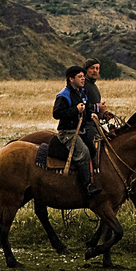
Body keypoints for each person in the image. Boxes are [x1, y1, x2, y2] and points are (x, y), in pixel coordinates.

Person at [54, 66, 101, 199]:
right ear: (71, 79)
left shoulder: (81, 92)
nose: (83, 79)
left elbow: (84, 110)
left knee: (93, 148)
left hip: (80, 130)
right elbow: (57, 114)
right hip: (67, 132)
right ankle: (86, 188)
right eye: (80, 77)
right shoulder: (64, 95)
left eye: (83, 77)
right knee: (84, 153)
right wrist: (75, 109)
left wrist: (91, 114)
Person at [82, 59, 114, 151]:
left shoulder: (93, 86)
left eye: (97, 68)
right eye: (92, 68)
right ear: (86, 70)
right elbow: (82, 105)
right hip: (86, 125)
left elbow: (94, 109)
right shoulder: (83, 85)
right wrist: (97, 107)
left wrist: (103, 114)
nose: (95, 71)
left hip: (94, 124)